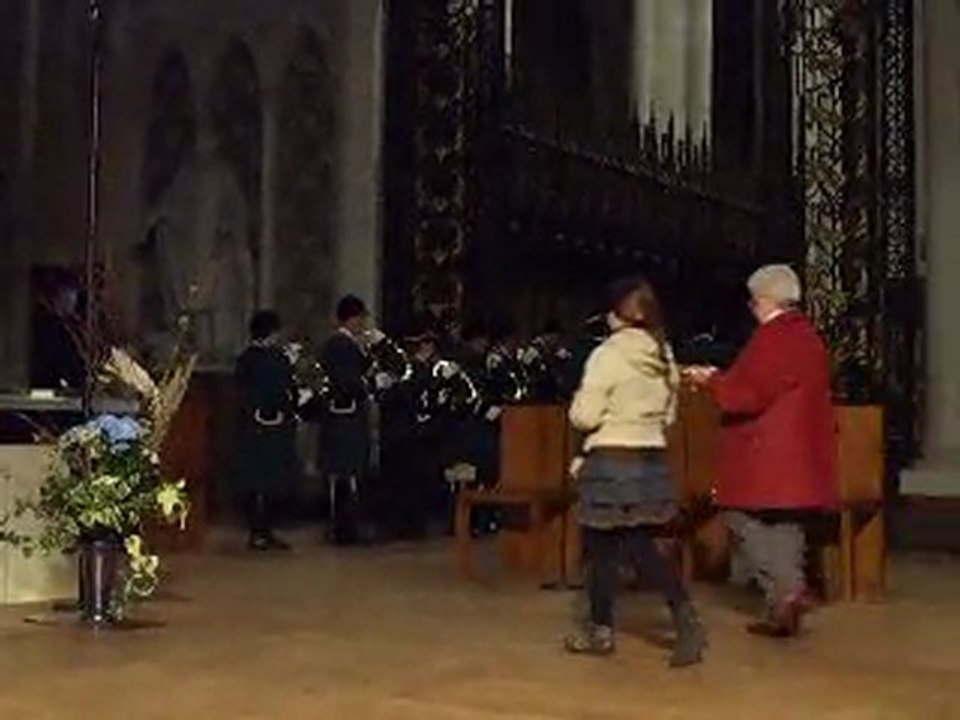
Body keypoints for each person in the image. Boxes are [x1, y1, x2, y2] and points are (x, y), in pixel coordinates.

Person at [686, 264, 838, 637]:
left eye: (754, 302)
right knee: (785, 522)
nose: (753, 309)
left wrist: (710, 381)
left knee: (737, 513)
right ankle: (786, 598)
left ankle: (784, 592)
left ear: (766, 300)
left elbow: (746, 395)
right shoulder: (809, 337)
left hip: (766, 451)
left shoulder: (773, 338)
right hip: (799, 452)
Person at [565, 276, 706, 667]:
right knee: (640, 544)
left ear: (614, 316)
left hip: (611, 459)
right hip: (650, 460)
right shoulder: (663, 355)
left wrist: (579, 410)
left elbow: (585, 415)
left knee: (602, 549)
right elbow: (671, 414)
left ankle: (602, 630)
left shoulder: (608, 355)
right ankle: (682, 616)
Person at [319, 295, 383, 544]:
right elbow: (348, 382)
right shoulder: (340, 345)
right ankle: (344, 529)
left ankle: (347, 527)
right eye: (361, 318)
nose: (363, 324)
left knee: (349, 473)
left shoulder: (349, 345)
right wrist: (371, 383)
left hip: (346, 418)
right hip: (344, 419)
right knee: (345, 473)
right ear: (352, 318)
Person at [234, 310, 298, 551]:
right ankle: (262, 531)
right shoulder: (274, 359)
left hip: (252, 427)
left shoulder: (245, 359)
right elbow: (282, 390)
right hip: (271, 427)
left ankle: (260, 531)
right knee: (267, 481)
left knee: (258, 482)